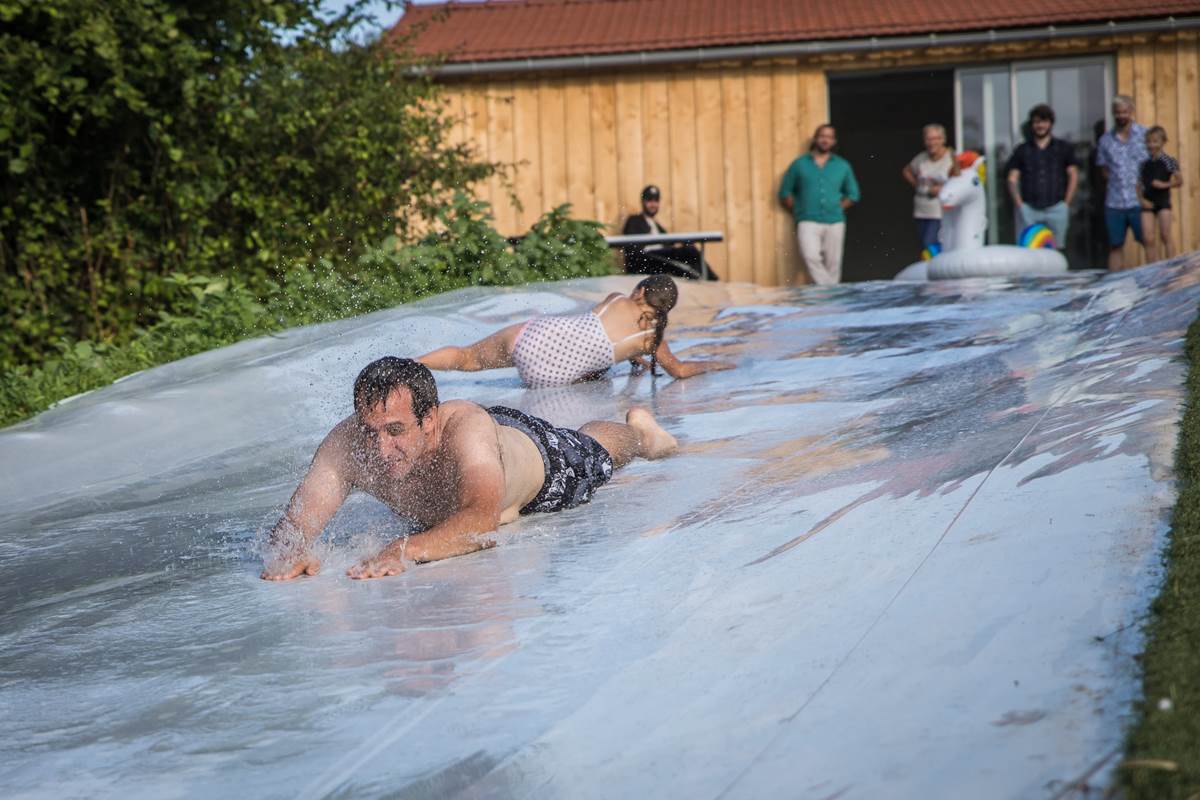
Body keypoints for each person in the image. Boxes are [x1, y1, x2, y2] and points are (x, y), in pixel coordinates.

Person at [260, 357, 679, 581]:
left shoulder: (463, 430)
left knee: (595, 446)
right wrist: (292, 553)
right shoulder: (349, 442)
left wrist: (403, 549)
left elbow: (480, 522)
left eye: (395, 431)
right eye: (371, 431)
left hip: (541, 462)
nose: (381, 449)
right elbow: (295, 525)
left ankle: (641, 434)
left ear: (429, 421)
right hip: (485, 443)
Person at [417, 274, 733, 388]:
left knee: (466, 356)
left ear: (641, 289)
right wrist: (714, 364)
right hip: (546, 375)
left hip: (537, 336)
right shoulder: (651, 340)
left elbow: (595, 333)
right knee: (594, 374)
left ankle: (413, 363)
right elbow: (678, 370)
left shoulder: (616, 299)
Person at [778, 124, 860, 285]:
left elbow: (854, 194)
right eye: (822, 136)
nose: (825, 140)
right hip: (807, 220)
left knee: (833, 263)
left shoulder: (842, 165)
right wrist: (799, 209)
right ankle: (830, 292)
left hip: (835, 220)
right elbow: (785, 193)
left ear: (834, 141)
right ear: (816, 139)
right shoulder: (799, 164)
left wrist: (838, 207)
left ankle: (827, 299)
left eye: (829, 137)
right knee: (811, 256)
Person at [1005, 104, 1078, 251]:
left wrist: (1066, 203)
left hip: (1057, 207)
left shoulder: (1063, 147)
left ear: (1050, 123)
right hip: (1029, 210)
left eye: (1044, 121)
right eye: (1036, 122)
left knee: (1058, 250)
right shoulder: (1022, 150)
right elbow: (1012, 178)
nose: (1040, 125)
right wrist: (1019, 205)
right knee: (1028, 250)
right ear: (1032, 125)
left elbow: (1073, 175)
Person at [621, 185, 718, 280]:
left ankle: (708, 278)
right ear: (643, 202)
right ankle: (713, 279)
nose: (653, 204)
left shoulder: (658, 226)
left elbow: (670, 243)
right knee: (690, 251)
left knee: (689, 249)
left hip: (660, 259)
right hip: (648, 260)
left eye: (656, 200)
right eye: (649, 200)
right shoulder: (634, 220)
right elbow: (633, 250)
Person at [1095, 95, 1148, 271]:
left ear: (1131, 112)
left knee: (1148, 241)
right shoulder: (1105, 141)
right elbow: (1103, 169)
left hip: (1140, 201)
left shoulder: (1145, 134)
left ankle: (1157, 287)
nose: (1121, 115)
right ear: (1113, 114)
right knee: (1115, 246)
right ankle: (1114, 290)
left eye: (1125, 111)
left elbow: (1160, 160)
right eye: (1118, 112)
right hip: (1114, 202)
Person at [901, 123, 957, 251]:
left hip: (940, 212)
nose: (932, 143)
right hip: (921, 210)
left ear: (943, 139)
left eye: (935, 138)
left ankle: (934, 270)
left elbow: (960, 179)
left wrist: (944, 189)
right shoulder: (921, 158)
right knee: (924, 246)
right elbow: (906, 171)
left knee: (930, 245)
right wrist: (917, 185)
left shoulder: (952, 158)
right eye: (928, 139)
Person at [1138, 125, 1183, 263]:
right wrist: (1140, 200)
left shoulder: (1169, 161)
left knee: (1165, 235)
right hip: (1148, 201)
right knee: (1148, 238)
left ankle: (1172, 266)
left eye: (1155, 141)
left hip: (1162, 201)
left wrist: (1164, 185)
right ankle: (1152, 269)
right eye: (1149, 142)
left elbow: (1179, 181)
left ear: (1162, 142)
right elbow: (1138, 185)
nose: (1151, 145)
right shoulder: (1143, 164)